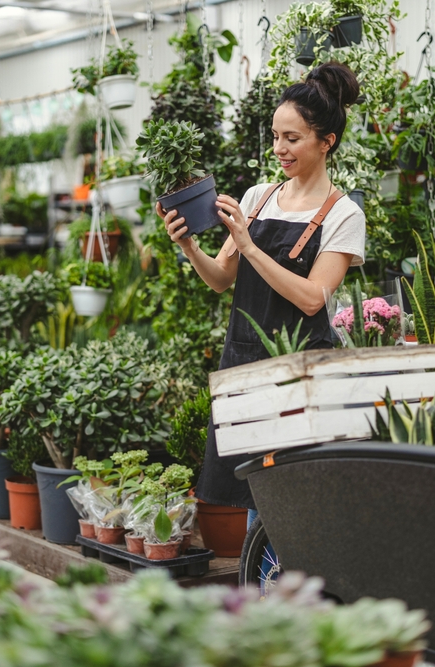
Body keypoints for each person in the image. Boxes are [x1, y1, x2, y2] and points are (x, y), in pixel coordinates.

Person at [156, 61, 367, 515]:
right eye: (275, 136)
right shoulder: (259, 197)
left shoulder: (344, 215)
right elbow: (221, 280)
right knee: (253, 500)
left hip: (299, 373)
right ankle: (261, 585)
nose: (279, 149)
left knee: (292, 502)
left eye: (292, 139)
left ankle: (285, 586)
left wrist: (249, 245)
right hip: (246, 363)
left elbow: (314, 298)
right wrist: (190, 246)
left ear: (326, 142)